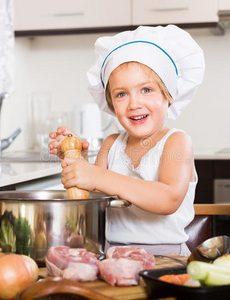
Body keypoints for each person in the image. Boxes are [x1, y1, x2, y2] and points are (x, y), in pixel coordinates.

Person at [49, 25, 205, 256]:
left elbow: (167, 199)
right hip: (111, 255)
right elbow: (92, 200)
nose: (134, 104)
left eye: (146, 90)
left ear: (168, 95)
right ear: (111, 103)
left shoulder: (176, 142)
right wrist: (78, 163)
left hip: (167, 257)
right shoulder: (112, 144)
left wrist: (97, 176)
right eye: (121, 94)